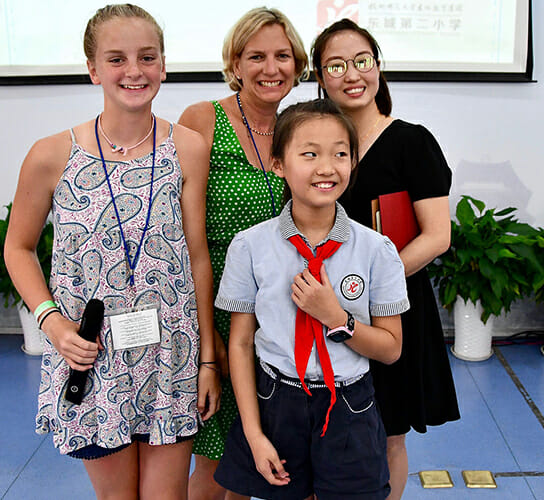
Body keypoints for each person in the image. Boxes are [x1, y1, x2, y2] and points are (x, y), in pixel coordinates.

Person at [3, 5, 220, 499]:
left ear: (163, 65)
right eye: (116, 59)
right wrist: (52, 322)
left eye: (147, 57)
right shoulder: (51, 154)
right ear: (93, 69)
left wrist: (207, 359)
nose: (134, 71)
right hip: (91, 354)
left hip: (172, 353)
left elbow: (197, 256)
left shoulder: (186, 147)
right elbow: (18, 248)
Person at [212, 98, 409, 500]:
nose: (326, 167)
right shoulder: (250, 246)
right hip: (276, 400)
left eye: (340, 153)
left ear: (353, 162)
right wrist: (254, 433)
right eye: (310, 154)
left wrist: (336, 317)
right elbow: (241, 342)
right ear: (279, 164)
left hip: (348, 403)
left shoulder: (377, 249)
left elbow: (390, 349)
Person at [311, 19, 461, 500]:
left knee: (387, 430)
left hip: (390, 310)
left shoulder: (412, 142)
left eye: (362, 61)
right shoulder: (316, 141)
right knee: (321, 423)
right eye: (336, 65)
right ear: (319, 76)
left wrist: (369, 291)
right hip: (318, 307)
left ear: (378, 67)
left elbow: (436, 237)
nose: (351, 74)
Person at [177, 8, 308, 499]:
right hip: (214, 307)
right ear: (234, 63)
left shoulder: (301, 127)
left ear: (297, 66)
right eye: (256, 56)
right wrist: (208, 349)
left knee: (264, 453)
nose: (270, 68)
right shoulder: (203, 119)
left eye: (282, 56)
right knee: (215, 457)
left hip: (283, 312)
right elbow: (182, 234)